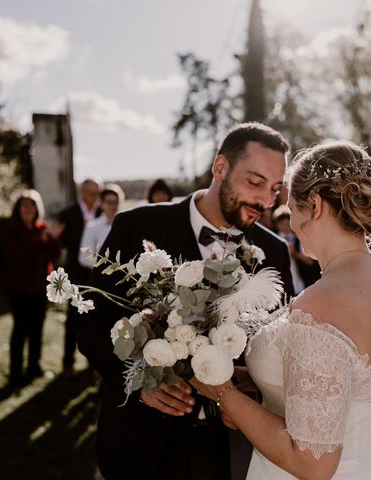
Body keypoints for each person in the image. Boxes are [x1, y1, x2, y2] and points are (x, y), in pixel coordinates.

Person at [76, 122, 295, 480]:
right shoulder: (136, 228)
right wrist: (138, 384)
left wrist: (251, 384)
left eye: (274, 189)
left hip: (228, 449)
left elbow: (278, 345)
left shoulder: (273, 252)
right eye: (255, 183)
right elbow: (91, 325)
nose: (264, 201)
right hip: (141, 443)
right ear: (220, 167)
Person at [192, 141, 371, 479]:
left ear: (316, 206)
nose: (291, 221)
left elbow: (312, 462)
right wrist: (259, 379)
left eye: (292, 208)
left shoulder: (322, 303)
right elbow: (343, 379)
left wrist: (222, 393)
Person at [0, 190, 62, 384]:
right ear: (18, 208)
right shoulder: (11, 230)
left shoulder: (41, 228)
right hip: (17, 287)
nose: (29, 209)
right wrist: (40, 240)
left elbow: (54, 255)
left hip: (39, 287)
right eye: (25, 205)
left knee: (37, 328)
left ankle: (34, 367)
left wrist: (53, 239)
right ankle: (15, 372)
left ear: (37, 209)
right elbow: (16, 256)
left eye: (32, 205)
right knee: (21, 328)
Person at [58, 178, 101, 378]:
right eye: (92, 193)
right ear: (82, 193)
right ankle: (68, 363)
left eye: (97, 193)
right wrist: (84, 231)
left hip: (97, 276)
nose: (95, 197)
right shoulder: (69, 213)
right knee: (73, 319)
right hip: (76, 274)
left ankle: (94, 365)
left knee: (95, 320)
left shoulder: (102, 213)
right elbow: (64, 241)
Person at [272, 204, 320, 293]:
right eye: (282, 223)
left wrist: (295, 253)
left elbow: (311, 262)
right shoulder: (272, 241)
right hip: (279, 286)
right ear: (277, 224)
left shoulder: (299, 239)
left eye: (287, 223)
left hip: (300, 285)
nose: (285, 226)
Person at [78, 184, 125, 269]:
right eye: (109, 202)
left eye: (116, 202)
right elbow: (83, 258)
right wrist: (107, 265)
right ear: (101, 203)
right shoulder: (92, 226)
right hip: (100, 275)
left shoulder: (126, 225)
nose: (113, 206)